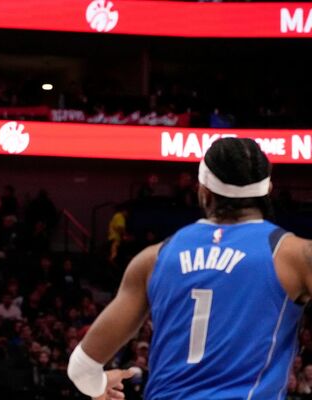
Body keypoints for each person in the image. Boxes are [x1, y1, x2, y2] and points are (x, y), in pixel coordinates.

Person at [68, 138, 311, 399]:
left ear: (203, 190)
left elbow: (81, 369)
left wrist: (100, 384)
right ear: (268, 189)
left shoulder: (153, 259)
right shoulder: (295, 256)